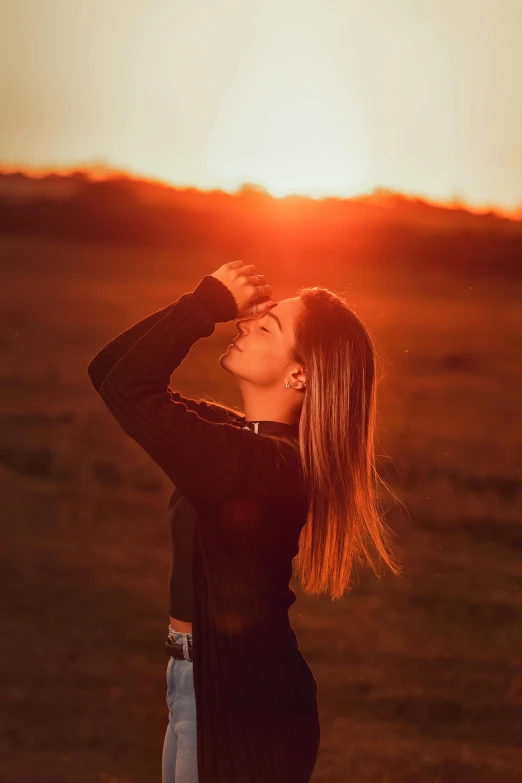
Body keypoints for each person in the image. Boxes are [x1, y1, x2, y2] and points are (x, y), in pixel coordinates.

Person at [87, 260, 401, 782]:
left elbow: (130, 389)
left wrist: (204, 306)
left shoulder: (261, 466)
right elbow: (109, 372)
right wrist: (200, 304)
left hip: (240, 701)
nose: (243, 325)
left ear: (299, 374)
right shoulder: (246, 446)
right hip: (201, 681)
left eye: (267, 326)